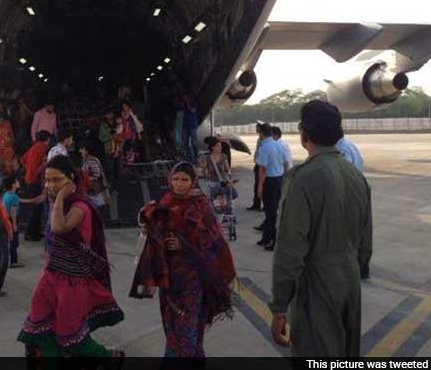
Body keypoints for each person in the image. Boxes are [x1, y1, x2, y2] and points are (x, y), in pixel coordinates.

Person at [269, 100, 372, 357]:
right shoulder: (355, 175)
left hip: (318, 284)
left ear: (304, 133)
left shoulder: (303, 178)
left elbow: (290, 250)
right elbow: (366, 241)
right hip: (350, 280)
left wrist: (280, 306)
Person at [18, 156, 124, 359]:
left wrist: (59, 197)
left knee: (70, 335)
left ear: (71, 179)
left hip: (74, 278)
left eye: (57, 180)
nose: (50, 185)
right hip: (52, 274)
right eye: (47, 180)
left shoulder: (80, 206)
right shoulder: (59, 203)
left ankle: (109, 358)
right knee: (37, 326)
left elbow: (59, 227)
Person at [131, 162, 236, 358]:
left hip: (192, 279)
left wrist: (184, 246)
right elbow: (158, 232)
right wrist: (149, 226)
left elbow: (213, 241)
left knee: (188, 327)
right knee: (172, 325)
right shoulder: (166, 201)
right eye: (176, 179)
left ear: (193, 181)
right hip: (169, 278)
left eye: (184, 180)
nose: (179, 184)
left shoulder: (201, 204)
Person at [256, 123, 286, 251]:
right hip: (279, 180)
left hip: (269, 181)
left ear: (261, 133)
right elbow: (286, 163)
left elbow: (263, 169)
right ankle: (266, 238)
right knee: (274, 212)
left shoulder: (264, 147)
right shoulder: (279, 145)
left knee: (271, 213)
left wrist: (260, 187)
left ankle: (273, 241)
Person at [21, 130, 50, 241]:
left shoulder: (34, 147)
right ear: (46, 139)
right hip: (35, 180)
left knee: (35, 207)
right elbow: (41, 166)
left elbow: (22, 159)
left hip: (30, 179)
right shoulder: (42, 148)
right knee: (36, 207)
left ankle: (34, 232)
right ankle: (31, 233)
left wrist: (28, 169)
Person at [2, 175, 25, 268]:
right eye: (16, 181)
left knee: (9, 240)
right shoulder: (14, 196)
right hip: (12, 219)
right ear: (13, 184)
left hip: (5, 219)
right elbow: (13, 212)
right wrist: (14, 224)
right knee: (13, 241)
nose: (18, 183)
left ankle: (8, 260)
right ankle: (14, 261)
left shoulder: (7, 194)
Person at [79, 143, 110, 208]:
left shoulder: (92, 161)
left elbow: (97, 175)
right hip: (91, 191)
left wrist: (86, 178)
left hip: (96, 192)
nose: (80, 151)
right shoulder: (86, 160)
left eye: (82, 149)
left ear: (87, 151)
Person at [246, 122, 265, 212]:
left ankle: (264, 205)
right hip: (258, 164)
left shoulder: (264, 139)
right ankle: (256, 204)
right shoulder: (259, 139)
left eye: (257, 127)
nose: (256, 129)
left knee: (262, 185)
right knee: (256, 185)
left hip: (262, 164)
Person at [98, 112, 117, 181]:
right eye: (108, 114)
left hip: (118, 148)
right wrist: (111, 137)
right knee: (109, 167)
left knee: (118, 168)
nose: (109, 115)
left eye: (111, 113)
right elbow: (101, 138)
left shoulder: (117, 123)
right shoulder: (103, 126)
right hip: (108, 149)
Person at [182, 94, 199, 163]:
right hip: (185, 125)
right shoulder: (183, 104)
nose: (184, 98)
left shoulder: (193, 103)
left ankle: (196, 157)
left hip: (192, 125)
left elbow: (193, 111)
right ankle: (189, 158)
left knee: (194, 142)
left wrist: (188, 103)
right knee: (185, 142)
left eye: (185, 97)